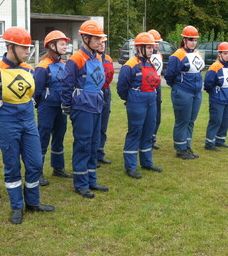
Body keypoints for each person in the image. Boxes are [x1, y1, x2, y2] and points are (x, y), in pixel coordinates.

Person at [0, 27, 55, 225]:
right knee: (12, 166)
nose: (27, 52)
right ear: (10, 47)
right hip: (7, 125)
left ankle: (33, 202)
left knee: (35, 164)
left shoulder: (29, 70)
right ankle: (17, 207)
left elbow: (34, 96)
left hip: (29, 123)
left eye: (28, 48)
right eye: (23, 48)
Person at [60, 20, 109, 199]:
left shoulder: (96, 57)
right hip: (82, 107)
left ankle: (91, 180)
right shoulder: (76, 60)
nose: (99, 42)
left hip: (96, 105)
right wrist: (67, 105)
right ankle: (81, 183)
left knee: (94, 143)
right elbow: (66, 84)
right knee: (82, 144)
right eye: (96, 39)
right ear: (86, 38)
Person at [117, 32, 162, 178]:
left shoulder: (151, 63)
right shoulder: (130, 65)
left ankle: (147, 162)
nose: (151, 50)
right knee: (135, 131)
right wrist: (130, 99)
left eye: (151, 47)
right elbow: (122, 87)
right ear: (139, 48)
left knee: (148, 131)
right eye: (148, 47)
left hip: (151, 99)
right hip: (136, 100)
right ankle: (130, 166)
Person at [34, 30, 71, 185]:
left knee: (59, 137)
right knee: (43, 138)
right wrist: (40, 103)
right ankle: (37, 173)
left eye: (65, 44)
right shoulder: (43, 66)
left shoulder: (64, 65)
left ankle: (58, 168)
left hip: (60, 107)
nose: (65, 47)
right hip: (47, 107)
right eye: (62, 44)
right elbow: (37, 90)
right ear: (52, 45)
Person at [165, 25, 205, 160]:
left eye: (195, 40)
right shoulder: (177, 56)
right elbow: (169, 76)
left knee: (191, 120)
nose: (193, 42)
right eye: (191, 39)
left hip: (196, 92)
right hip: (183, 92)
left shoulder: (197, 54)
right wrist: (178, 87)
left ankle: (187, 146)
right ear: (184, 40)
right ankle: (180, 149)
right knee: (182, 120)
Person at [204, 42, 228, 151]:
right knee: (215, 120)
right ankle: (209, 142)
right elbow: (208, 83)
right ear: (220, 54)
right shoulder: (215, 67)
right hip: (217, 98)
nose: (227, 56)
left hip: (227, 98)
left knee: (225, 120)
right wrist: (214, 93)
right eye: (224, 53)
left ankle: (220, 140)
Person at [97, 36, 114, 165]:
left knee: (103, 125)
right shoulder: (90, 59)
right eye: (100, 42)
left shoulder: (108, 59)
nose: (102, 44)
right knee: (94, 126)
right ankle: (92, 154)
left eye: (103, 42)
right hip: (95, 93)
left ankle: (100, 152)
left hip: (106, 91)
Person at [148, 29, 163, 150]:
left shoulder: (159, 55)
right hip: (149, 86)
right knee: (149, 114)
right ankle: (146, 138)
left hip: (157, 85)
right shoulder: (146, 57)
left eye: (158, 42)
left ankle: (152, 138)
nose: (157, 45)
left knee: (157, 115)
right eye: (155, 42)